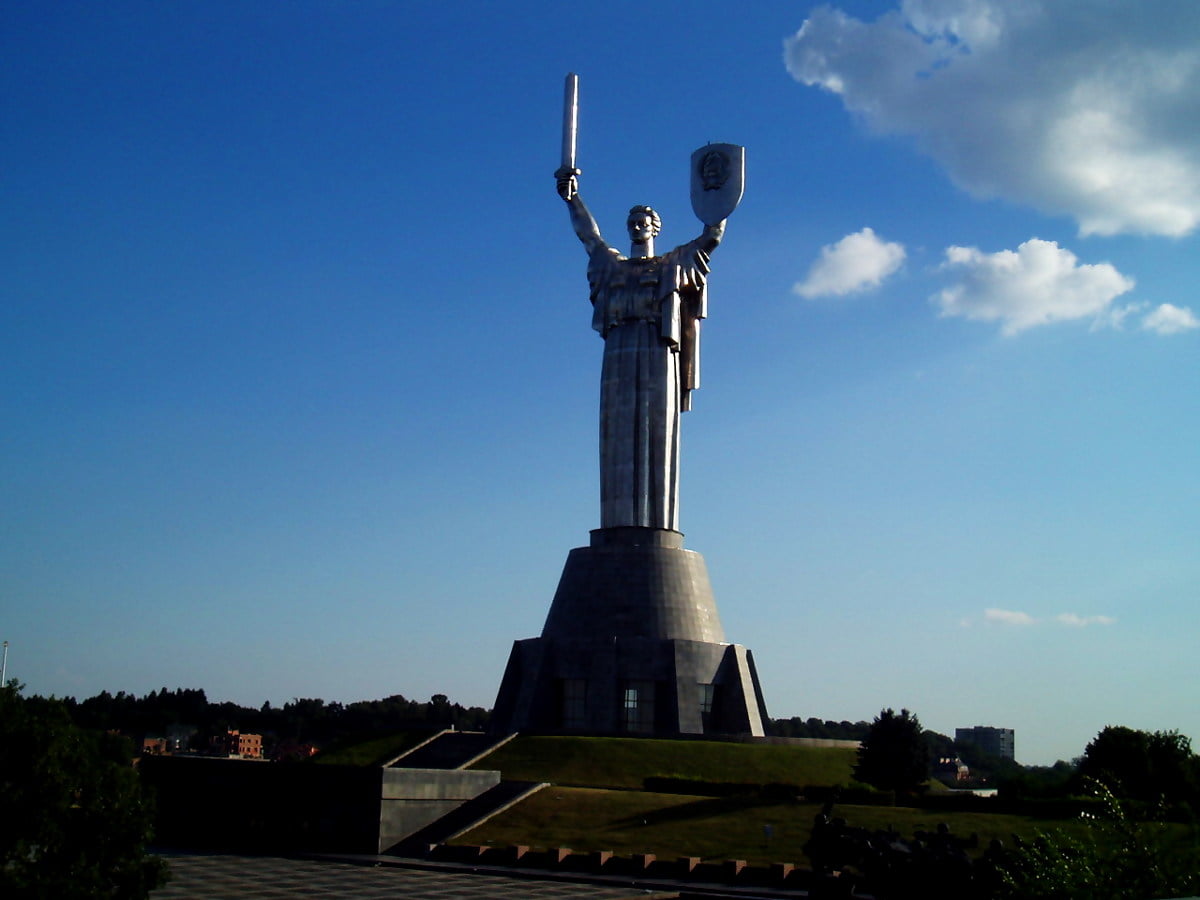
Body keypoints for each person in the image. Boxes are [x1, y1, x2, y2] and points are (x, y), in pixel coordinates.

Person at [555, 165, 725, 531]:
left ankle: (657, 526)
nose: (637, 224)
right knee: (616, 431)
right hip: (618, 352)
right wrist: (573, 199)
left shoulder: (673, 264)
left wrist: (717, 206)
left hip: (657, 350)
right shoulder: (613, 267)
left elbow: (711, 237)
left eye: (644, 220)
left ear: (655, 228)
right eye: (632, 220)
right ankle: (616, 524)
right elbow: (589, 237)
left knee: (656, 429)